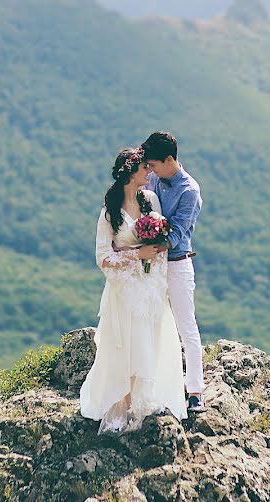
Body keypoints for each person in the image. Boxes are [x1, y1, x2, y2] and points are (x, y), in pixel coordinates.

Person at [79, 147, 188, 433]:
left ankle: (144, 400)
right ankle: (126, 404)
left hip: (149, 287)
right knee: (127, 346)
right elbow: (103, 257)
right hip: (124, 290)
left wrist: (157, 277)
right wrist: (136, 256)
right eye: (143, 167)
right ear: (130, 172)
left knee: (149, 343)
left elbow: (160, 245)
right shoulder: (109, 213)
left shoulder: (150, 200)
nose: (149, 171)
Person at [141, 131, 206, 412]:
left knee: (185, 326)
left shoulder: (189, 190)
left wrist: (148, 248)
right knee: (152, 324)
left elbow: (177, 233)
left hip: (178, 264)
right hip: (153, 265)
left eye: (154, 165)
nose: (151, 171)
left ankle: (195, 391)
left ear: (169, 160)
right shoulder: (155, 178)